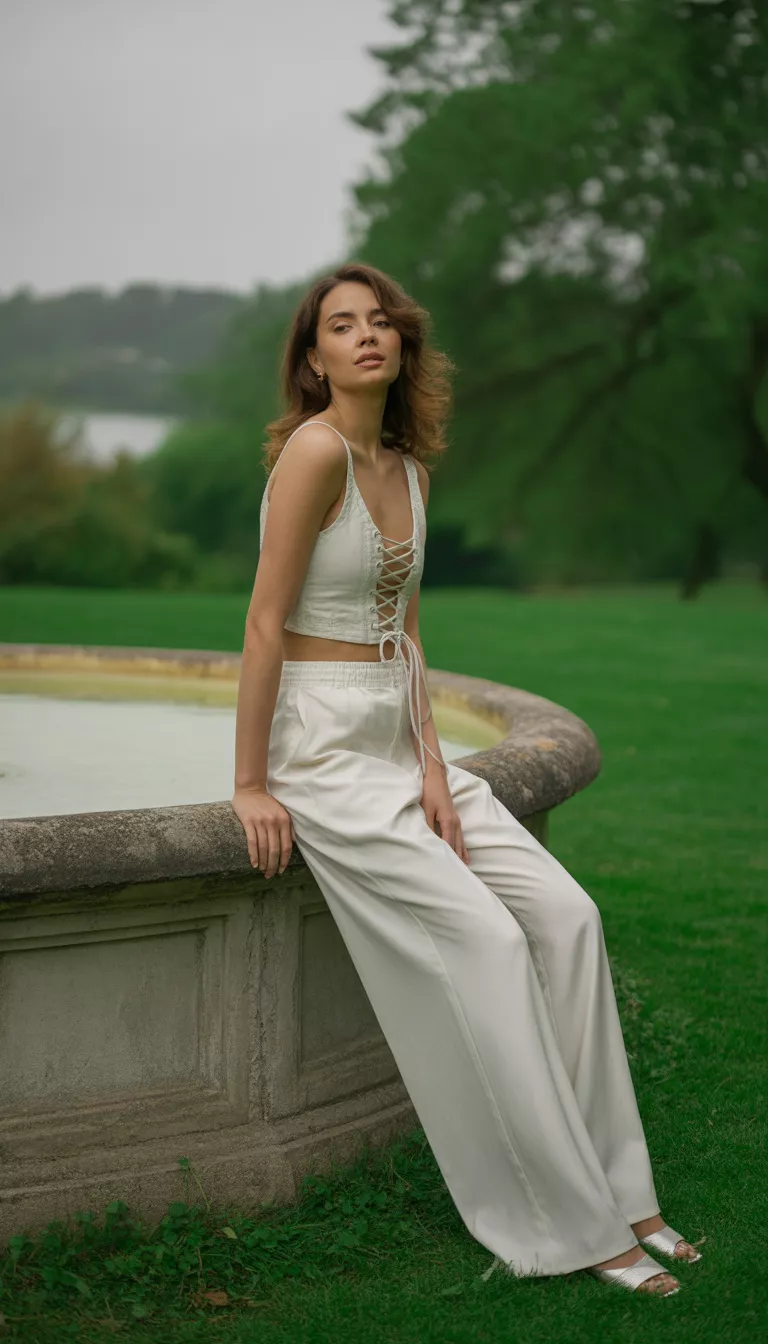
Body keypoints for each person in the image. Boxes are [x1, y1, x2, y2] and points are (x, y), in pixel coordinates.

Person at [231, 261, 701, 1297]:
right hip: (325, 755)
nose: (365, 337)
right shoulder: (315, 454)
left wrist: (437, 763)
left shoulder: (406, 464)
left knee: (567, 919)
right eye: (340, 326)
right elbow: (265, 624)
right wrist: (252, 783)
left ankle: (627, 1193)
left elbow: (404, 625)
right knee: (488, 945)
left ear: (401, 343)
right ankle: (566, 1224)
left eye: (379, 322)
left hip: (401, 743)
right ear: (313, 358)